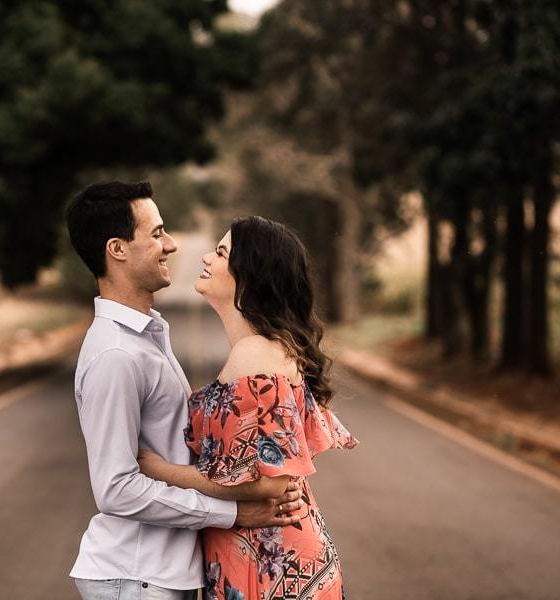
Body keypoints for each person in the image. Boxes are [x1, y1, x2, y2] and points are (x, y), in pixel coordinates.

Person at [65, 182, 306, 600]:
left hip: (161, 574)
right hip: (136, 574)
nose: (172, 244)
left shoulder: (145, 337)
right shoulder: (116, 354)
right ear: (117, 249)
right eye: (157, 233)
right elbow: (116, 489)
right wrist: (232, 513)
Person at [137, 216, 359, 600]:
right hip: (264, 555)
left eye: (221, 252)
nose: (206, 257)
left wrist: (162, 471)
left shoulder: (257, 356)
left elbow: (271, 483)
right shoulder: (263, 351)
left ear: (250, 275)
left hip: (270, 561)